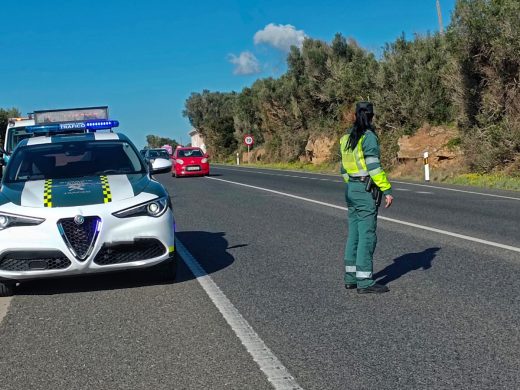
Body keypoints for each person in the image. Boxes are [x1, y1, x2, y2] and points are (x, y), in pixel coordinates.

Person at [340, 102, 394, 294]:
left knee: (354, 234)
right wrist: (386, 189)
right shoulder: (368, 137)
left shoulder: (346, 137)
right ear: (372, 116)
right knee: (367, 235)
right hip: (364, 190)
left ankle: (351, 277)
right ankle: (365, 282)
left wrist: (352, 184)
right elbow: (374, 167)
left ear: (355, 115)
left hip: (351, 188)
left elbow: (343, 169)